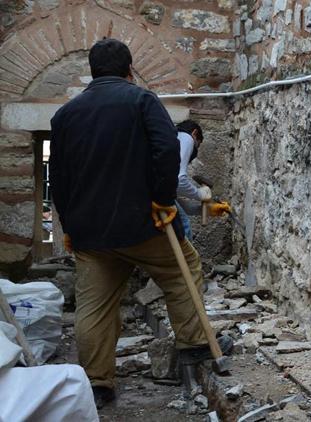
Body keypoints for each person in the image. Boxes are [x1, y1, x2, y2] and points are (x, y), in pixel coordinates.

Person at [49, 38, 229, 408]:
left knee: (94, 307)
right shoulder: (142, 100)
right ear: (129, 70)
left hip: (90, 233)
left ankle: (97, 384)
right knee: (183, 271)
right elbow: (166, 149)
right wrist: (163, 201)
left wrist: (69, 226)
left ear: (92, 72)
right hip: (142, 223)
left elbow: (60, 178)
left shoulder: (65, 116)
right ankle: (195, 344)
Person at [173, 120, 230, 240]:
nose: (194, 151)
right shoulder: (186, 137)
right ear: (194, 133)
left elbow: (174, 204)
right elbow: (179, 180)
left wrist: (208, 209)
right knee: (184, 230)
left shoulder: (172, 141)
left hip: (146, 193)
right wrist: (200, 194)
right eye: (197, 146)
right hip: (147, 193)